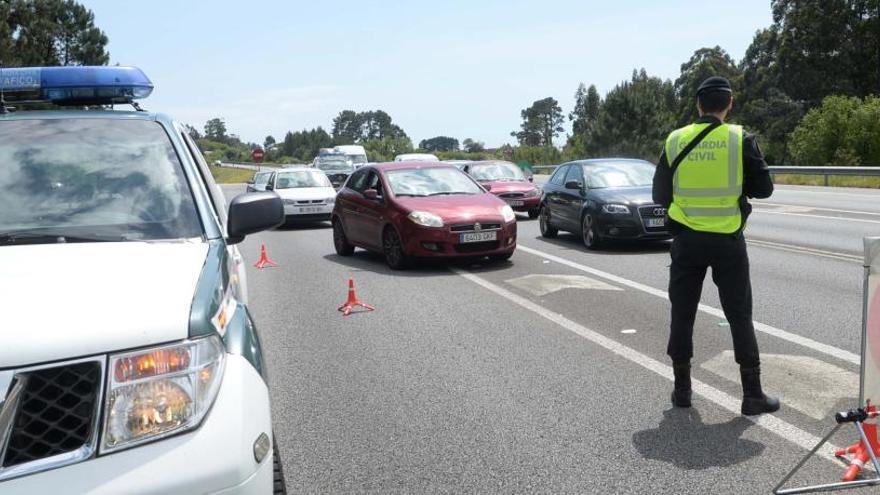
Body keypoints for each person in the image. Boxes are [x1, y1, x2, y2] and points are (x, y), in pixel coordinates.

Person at [652, 76, 780, 416]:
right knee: (739, 316)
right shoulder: (740, 138)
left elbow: (659, 196)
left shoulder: (675, 139)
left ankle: (682, 390)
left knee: (682, 314)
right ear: (730, 104)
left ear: (698, 105)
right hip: (728, 242)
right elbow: (765, 189)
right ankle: (752, 394)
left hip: (686, 242)